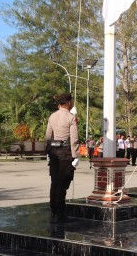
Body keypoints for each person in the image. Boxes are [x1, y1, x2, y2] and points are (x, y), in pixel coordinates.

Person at [45, 93, 79, 223]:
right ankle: (60, 213)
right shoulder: (71, 117)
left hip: (53, 152)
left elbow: (48, 136)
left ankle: (53, 211)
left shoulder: (52, 116)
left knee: (54, 182)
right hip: (65, 153)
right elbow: (74, 139)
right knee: (63, 184)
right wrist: (75, 156)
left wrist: (48, 153)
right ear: (69, 103)